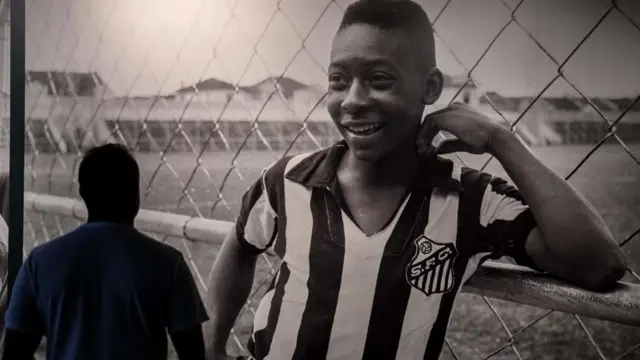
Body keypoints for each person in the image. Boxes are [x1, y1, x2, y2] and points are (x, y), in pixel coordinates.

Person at [203, 1, 628, 359]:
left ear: (429, 87)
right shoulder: (288, 180)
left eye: (378, 79)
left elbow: (598, 265)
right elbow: (241, 243)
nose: (352, 100)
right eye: (338, 80)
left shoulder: (471, 201)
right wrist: (213, 344)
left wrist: (502, 141)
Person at [3, 143, 209, 360]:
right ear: (135, 194)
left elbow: (15, 351)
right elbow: (192, 353)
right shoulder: (168, 263)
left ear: (83, 193)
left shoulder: (40, 262)